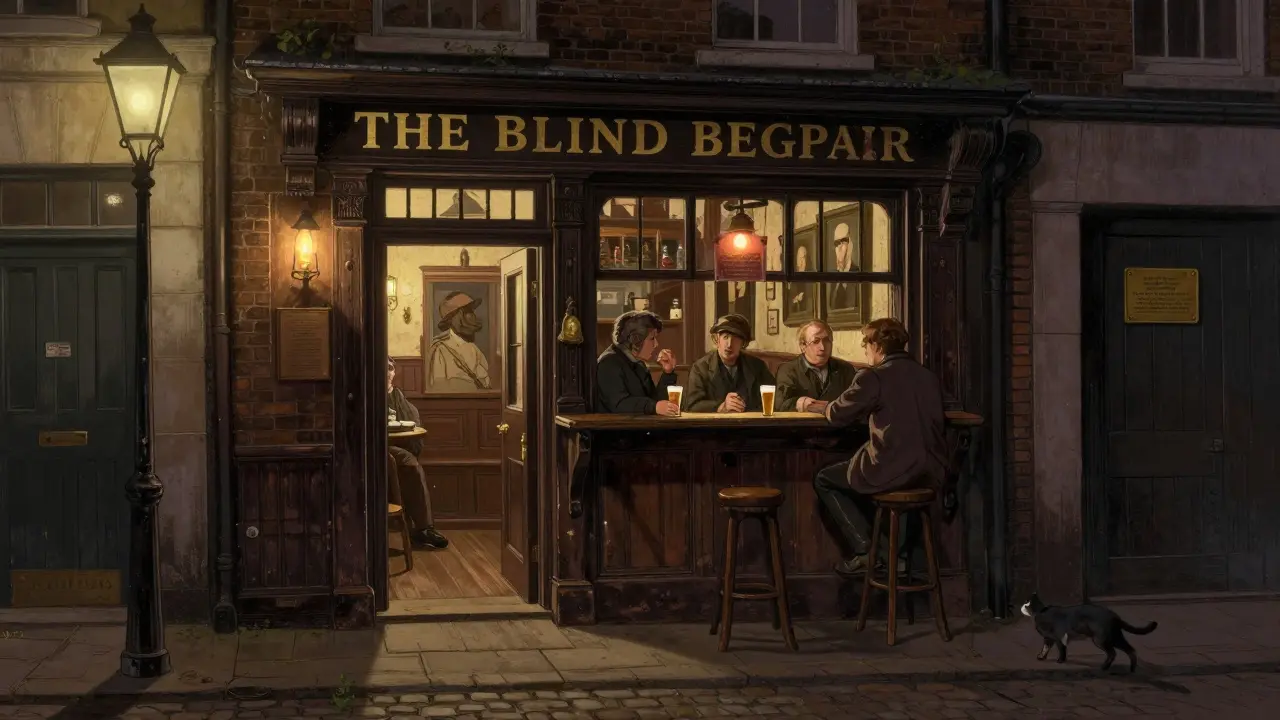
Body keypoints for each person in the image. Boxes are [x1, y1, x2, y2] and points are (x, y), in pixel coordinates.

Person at [813, 318, 947, 576]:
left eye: (866, 344)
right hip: (931, 472)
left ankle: (868, 552)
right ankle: (898, 556)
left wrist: (819, 406)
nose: (865, 350)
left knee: (824, 479)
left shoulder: (873, 376)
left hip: (895, 470)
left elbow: (838, 414)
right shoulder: (927, 376)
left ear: (878, 346)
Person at [387, 358, 449, 550]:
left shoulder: (400, 400)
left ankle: (422, 528)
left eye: (390, 368)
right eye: (382, 368)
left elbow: (413, 430)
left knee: (409, 462)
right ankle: (422, 528)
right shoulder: (369, 396)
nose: (387, 372)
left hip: (397, 448)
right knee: (409, 463)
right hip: (374, 447)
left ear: (394, 372)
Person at [684, 313, 775, 413]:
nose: (729, 344)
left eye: (735, 339)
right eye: (725, 337)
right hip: (716, 423)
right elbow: (692, 405)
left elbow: (774, 400)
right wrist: (721, 407)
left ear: (743, 344)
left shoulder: (757, 367)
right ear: (717, 340)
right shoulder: (700, 368)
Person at [595, 310, 680, 415]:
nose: (656, 344)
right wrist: (654, 407)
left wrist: (668, 373)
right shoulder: (609, 364)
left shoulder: (638, 364)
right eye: (652, 338)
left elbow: (656, 402)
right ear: (635, 340)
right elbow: (619, 404)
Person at [774, 320, 861, 413]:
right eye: (815, 341)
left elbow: (857, 402)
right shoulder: (788, 370)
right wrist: (802, 404)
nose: (822, 347)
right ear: (803, 346)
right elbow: (781, 404)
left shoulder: (845, 369)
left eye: (826, 341)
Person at [426, 291, 492, 392]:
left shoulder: (474, 349)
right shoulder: (440, 350)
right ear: (457, 318)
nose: (474, 316)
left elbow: (486, 381)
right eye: (469, 312)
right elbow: (438, 387)